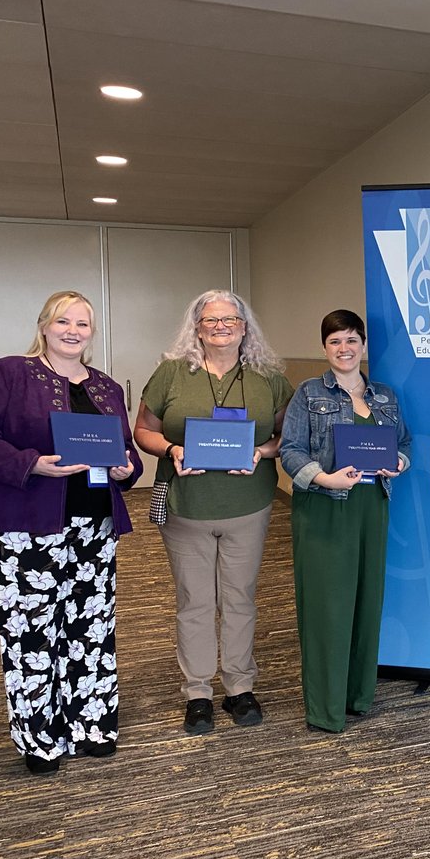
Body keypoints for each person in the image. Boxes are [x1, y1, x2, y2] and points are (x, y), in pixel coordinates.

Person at [0, 291, 142, 775]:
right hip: (25, 526)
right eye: (63, 321)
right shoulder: (11, 372)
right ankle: (40, 738)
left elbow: (124, 450)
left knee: (92, 629)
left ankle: (92, 723)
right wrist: (31, 463)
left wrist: (128, 469)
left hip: (94, 524)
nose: (73, 331)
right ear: (44, 325)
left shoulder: (105, 388)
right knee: (31, 631)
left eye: (83, 323)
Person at [133, 290, 293, 735]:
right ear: (197, 327)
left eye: (230, 319)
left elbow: (288, 437)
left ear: (245, 327)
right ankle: (198, 692)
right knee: (195, 601)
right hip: (189, 506)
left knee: (240, 598)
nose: (220, 326)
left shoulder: (269, 378)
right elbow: (142, 430)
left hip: (249, 505)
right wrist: (172, 448)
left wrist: (263, 451)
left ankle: (240, 686)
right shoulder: (171, 374)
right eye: (210, 320)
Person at [280, 309, 410, 733]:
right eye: (335, 341)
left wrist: (399, 463)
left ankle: (358, 696)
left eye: (352, 340)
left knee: (367, 602)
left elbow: (404, 442)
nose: (344, 348)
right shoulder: (309, 392)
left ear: (363, 345)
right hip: (325, 507)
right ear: (325, 347)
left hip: (372, 506)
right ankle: (326, 708)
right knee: (327, 608)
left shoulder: (385, 396)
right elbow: (290, 450)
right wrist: (322, 476)